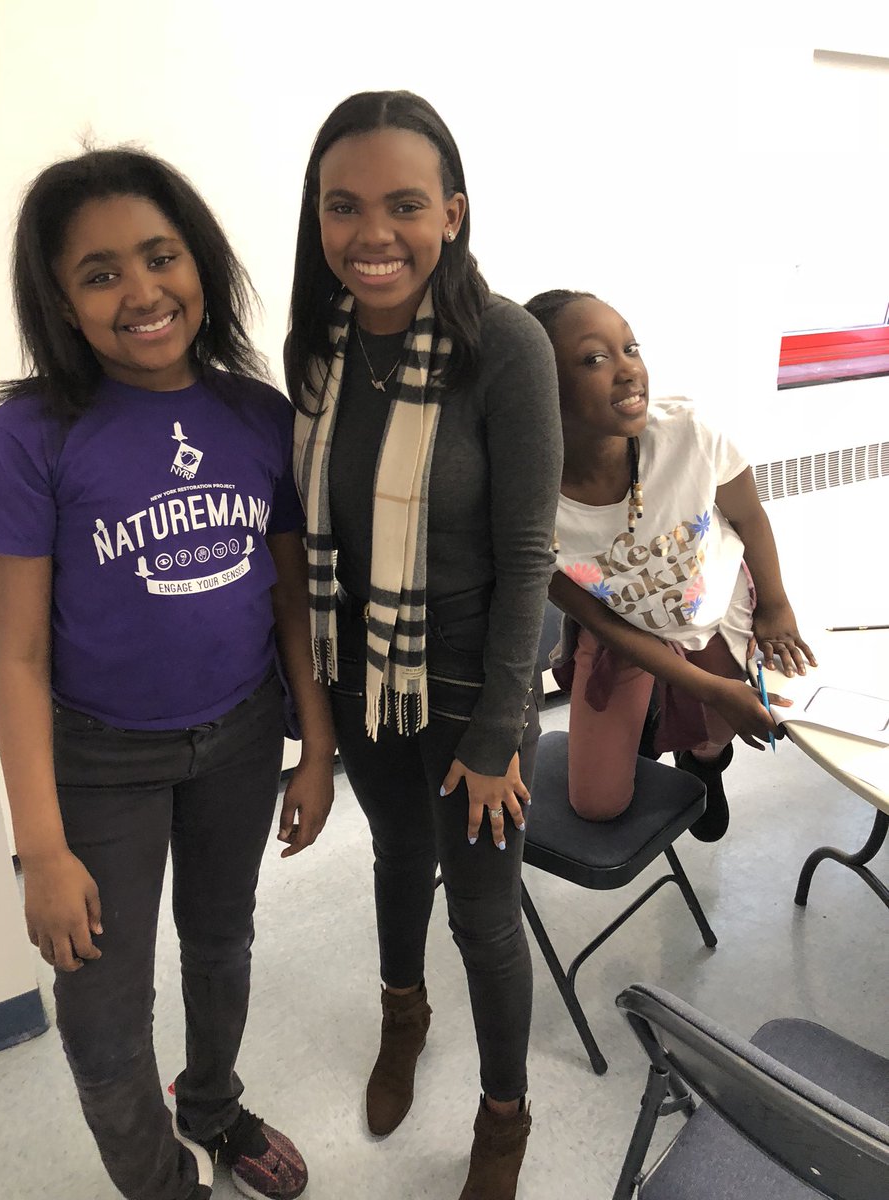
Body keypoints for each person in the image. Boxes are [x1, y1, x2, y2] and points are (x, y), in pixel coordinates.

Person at [0, 148, 336, 1200]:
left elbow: (288, 604)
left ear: (201, 264)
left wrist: (316, 747)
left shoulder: (258, 416)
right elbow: (16, 650)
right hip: (97, 761)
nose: (140, 292)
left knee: (222, 942)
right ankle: (163, 1188)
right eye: (100, 274)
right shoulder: (29, 436)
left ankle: (217, 1109)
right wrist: (38, 847)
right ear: (61, 300)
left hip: (238, 739)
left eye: (160, 258)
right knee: (101, 1016)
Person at [285, 92, 562, 1199]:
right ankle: (405, 1018)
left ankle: (504, 1119)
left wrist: (500, 732)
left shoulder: (508, 349)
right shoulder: (323, 349)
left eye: (404, 204)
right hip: (364, 677)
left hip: (472, 684)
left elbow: (530, 552)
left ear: (452, 213)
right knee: (398, 859)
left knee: (485, 913)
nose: (372, 232)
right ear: (317, 218)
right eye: (343, 206)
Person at [524, 289, 815, 839]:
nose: (629, 371)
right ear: (541, 387)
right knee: (598, 805)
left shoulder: (690, 434)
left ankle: (703, 761)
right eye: (594, 359)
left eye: (630, 347)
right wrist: (705, 688)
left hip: (712, 604)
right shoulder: (525, 505)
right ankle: (661, 715)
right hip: (621, 628)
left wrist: (776, 607)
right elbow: (601, 620)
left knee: (717, 728)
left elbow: (749, 517)